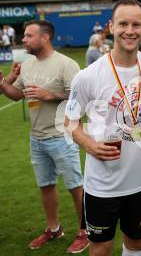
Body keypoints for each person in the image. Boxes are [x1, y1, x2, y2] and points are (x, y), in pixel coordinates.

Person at [65, 0, 141, 256]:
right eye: (123, 24)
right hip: (101, 185)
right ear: (111, 27)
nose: (130, 30)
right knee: (101, 248)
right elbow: (68, 122)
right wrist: (90, 144)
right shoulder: (88, 75)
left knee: (136, 243)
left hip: (140, 181)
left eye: (136, 24)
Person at [0, 20, 89, 253]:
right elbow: (16, 95)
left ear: (45, 37)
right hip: (37, 138)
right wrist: (2, 83)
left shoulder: (66, 64)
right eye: (24, 36)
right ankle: (54, 228)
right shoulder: (27, 66)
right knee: (46, 185)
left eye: (29, 36)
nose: (23, 40)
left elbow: (79, 100)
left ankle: (85, 231)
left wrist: (50, 95)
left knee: (75, 186)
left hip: (63, 136)